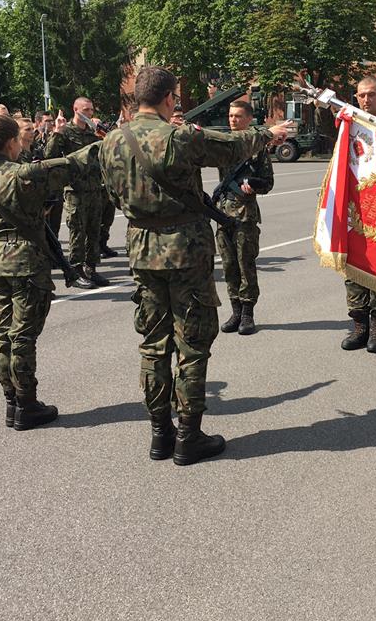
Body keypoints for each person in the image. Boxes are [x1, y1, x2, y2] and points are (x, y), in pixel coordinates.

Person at [97, 66, 292, 465]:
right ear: (169, 98)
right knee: (192, 343)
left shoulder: (112, 142)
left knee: (153, 344)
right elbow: (230, 147)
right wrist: (267, 135)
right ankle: (188, 435)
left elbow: (115, 199)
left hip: (141, 250)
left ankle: (159, 434)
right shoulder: (179, 137)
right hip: (186, 251)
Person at [0, 114, 93, 430]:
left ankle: (11, 401)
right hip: (24, 260)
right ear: (11, 143)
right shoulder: (22, 174)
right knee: (22, 335)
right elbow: (72, 165)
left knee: (2, 332)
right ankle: (27, 404)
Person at [341, 75, 376, 353]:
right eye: (361, 95)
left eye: (371, 94)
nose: (365, 99)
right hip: (355, 208)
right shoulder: (349, 126)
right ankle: (359, 326)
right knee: (354, 265)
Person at [215, 99, 274, 335]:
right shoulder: (223, 145)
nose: (232, 120)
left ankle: (248, 314)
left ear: (249, 119)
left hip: (245, 216)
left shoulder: (256, 148)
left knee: (245, 265)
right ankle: (235, 311)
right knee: (229, 266)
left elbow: (268, 182)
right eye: (230, 116)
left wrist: (254, 185)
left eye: (238, 116)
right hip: (222, 214)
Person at [44, 96, 107, 289]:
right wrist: (57, 132)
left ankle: (91, 268)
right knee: (77, 231)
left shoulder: (93, 132)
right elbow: (49, 156)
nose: (90, 113)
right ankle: (76, 270)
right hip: (75, 190)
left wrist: (104, 136)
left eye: (91, 110)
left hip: (95, 188)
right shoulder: (66, 132)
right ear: (76, 109)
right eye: (86, 110)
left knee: (94, 230)